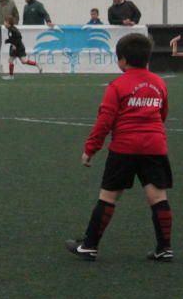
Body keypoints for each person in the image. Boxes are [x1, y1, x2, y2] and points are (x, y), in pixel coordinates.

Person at [65, 33, 173, 262]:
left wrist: (90, 149)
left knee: (109, 197)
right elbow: (162, 114)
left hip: (124, 148)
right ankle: (164, 248)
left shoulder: (117, 86)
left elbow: (105, 120)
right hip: (154, 146)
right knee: (158, 197)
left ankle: (89, 245)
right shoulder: (159, 83)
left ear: (123, 59)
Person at [2, 15, 40, 79]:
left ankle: (11, 76)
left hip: (19, 48)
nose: (4, 23)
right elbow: (13, 38)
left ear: (8, 22)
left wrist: (15, 45)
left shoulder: (13, 29)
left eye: (4, 22)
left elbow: (19, 37)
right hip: (16, 47)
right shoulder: (10, 29)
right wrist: (8, 41)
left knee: (15, 61)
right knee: (21, 61)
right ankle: (36, 64)